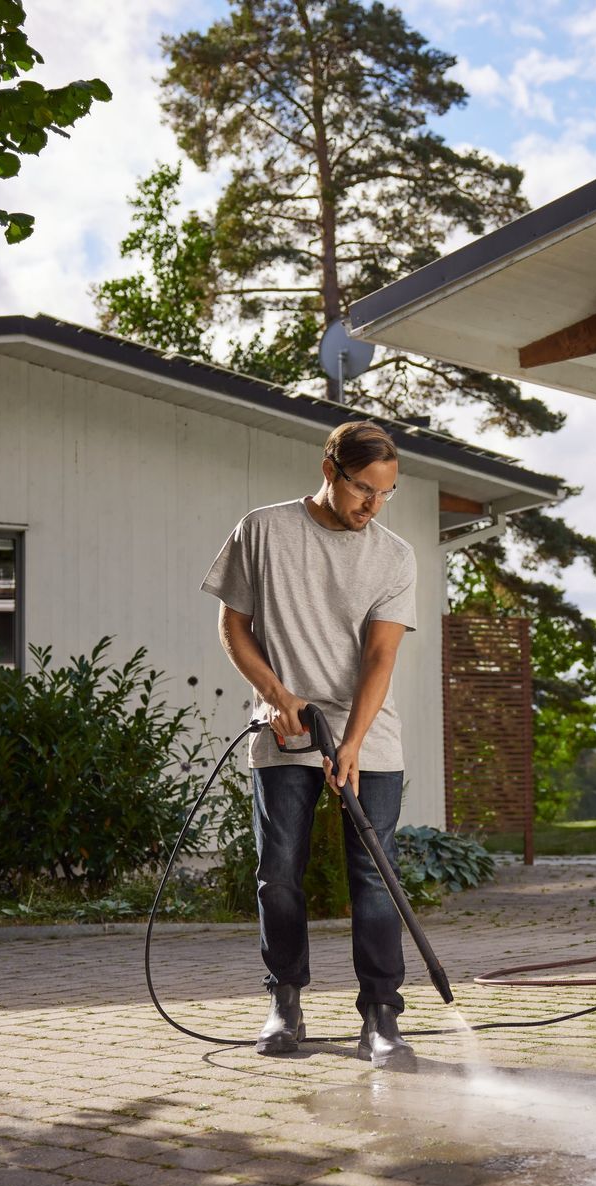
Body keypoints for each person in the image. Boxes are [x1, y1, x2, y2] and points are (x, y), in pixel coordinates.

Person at [201, 420, 419, 1067]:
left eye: (387, 493)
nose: (372, 507)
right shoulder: (263, 530)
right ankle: (285, 1002)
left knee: (375, 880)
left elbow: (380, 658)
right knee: (279, 877)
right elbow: (233, 626)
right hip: (283, 730)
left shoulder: (393, 555)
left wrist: (351, 743)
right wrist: (274, 693)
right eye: (363, 491)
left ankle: (381, 1015)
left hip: (368, 734)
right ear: (331, 470)